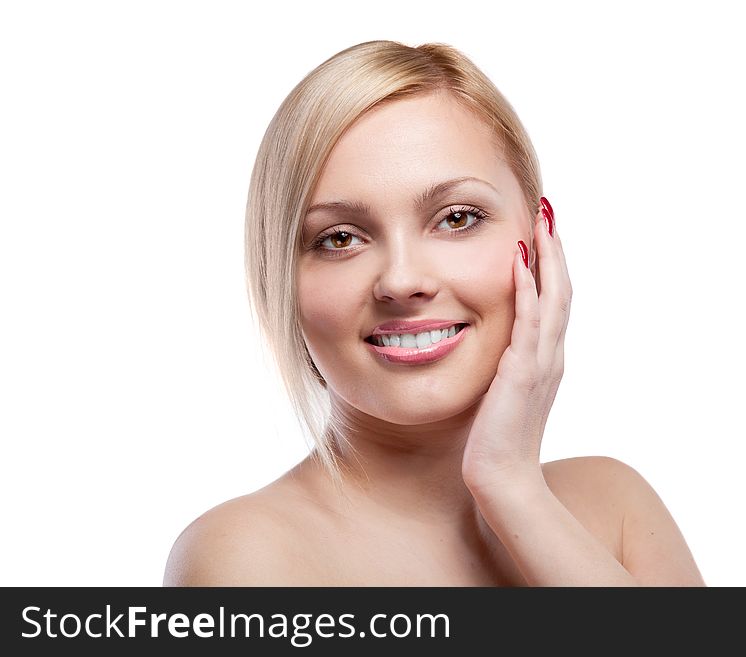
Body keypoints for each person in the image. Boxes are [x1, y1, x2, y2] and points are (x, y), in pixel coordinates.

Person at [163, 40, 705, 587]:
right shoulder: (245, 556)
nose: (402, 280)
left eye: (457, 219)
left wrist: (511, 487)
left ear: (540, 239)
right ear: (277, 277)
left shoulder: (615, 508)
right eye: (340, 238)